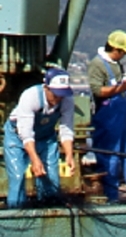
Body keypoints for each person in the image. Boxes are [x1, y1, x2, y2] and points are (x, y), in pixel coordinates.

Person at [87, 29, 126, 202]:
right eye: (123, 52)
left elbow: (124, 88)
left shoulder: (119, 64)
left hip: (125, 118)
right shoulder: (97, 64)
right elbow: (98, 90)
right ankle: (110, 195)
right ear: (115, 49)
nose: (124, 56)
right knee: (110, 158)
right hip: (107, 117)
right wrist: (121, 88)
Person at [3, 68, 77, 208]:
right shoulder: (30, 97)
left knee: (50, 177)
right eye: (55, 94)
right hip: (17, 136)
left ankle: (50, 209)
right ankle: (15, 209)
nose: (58, 99)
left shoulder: (67, 100)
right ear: (46, 88)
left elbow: (66, 129)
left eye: (61, 95)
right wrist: (35, 160)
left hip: (46, 137)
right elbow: (26, 133)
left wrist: (69, 154)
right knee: (18, 177)